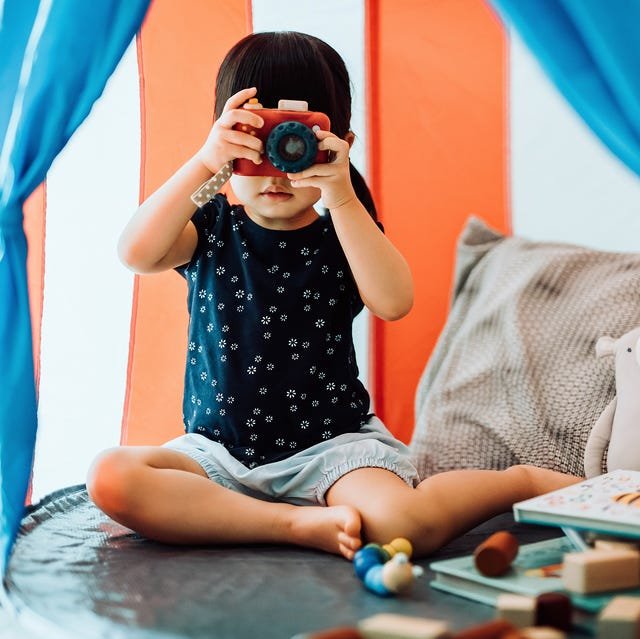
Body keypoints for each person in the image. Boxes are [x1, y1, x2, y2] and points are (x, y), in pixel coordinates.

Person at [86, 31, 581, 560]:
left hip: (332, 451)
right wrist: (207, 162)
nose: (278, 164)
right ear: (227, 138)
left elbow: (394, 301)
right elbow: (135, 253)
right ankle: (290, 525)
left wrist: (341, 194)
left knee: (402, 525)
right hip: (217, 456)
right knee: (111, 477)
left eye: (295, 139)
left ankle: (520, 482)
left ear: (340, 142)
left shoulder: (343, 231)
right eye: (259, 138)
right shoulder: (208, 228)